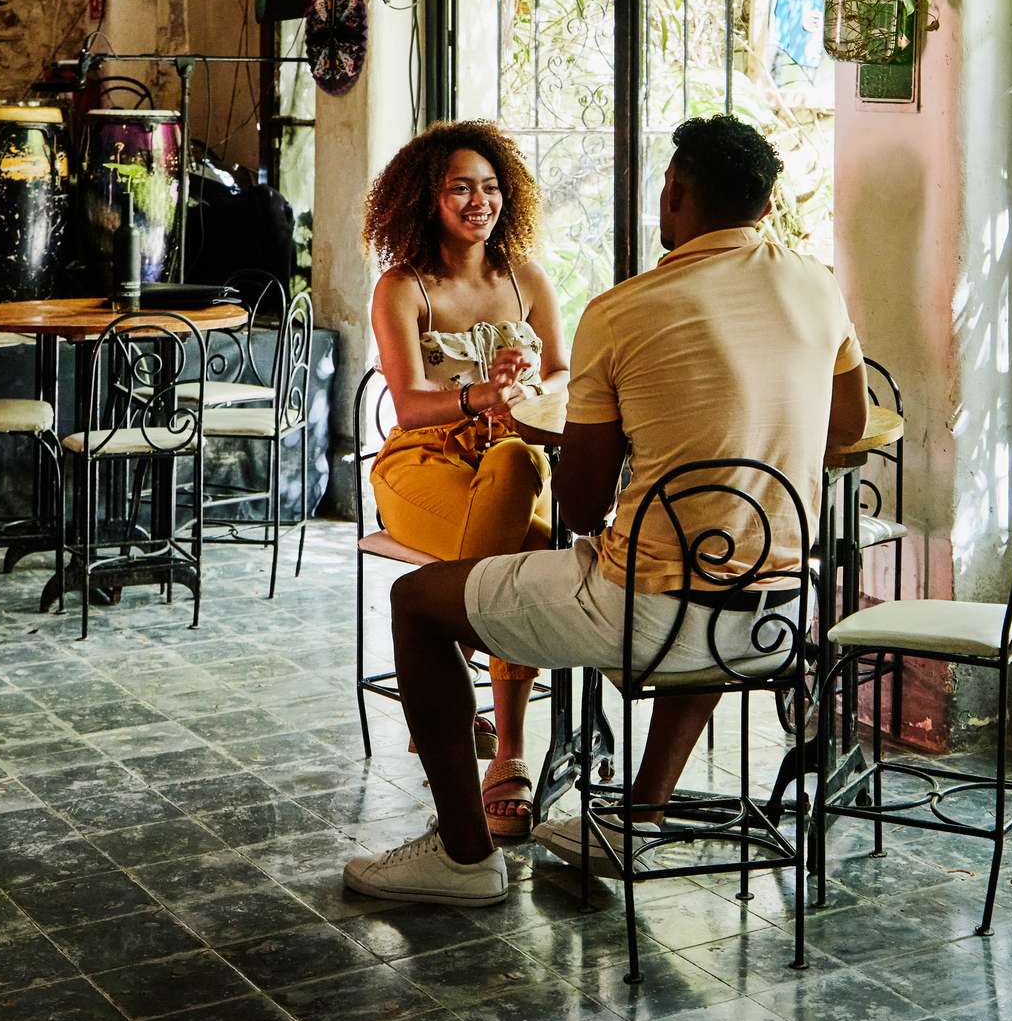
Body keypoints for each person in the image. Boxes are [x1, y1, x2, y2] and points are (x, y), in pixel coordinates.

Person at [343, 114, 867, 907]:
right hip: (776, 616)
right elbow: (850, 430)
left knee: (416, 602)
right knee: (713, 559)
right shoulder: (819, 285)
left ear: (675, 193)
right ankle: (637, 816)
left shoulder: (623, 310)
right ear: (765, 206)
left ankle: (462, 857)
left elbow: (583, 507)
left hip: (644, 616)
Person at [362, 120, 569, 840]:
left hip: (505, 461)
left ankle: (453, 672)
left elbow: (563, 376)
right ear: (428, 198)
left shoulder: (526, 278)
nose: (479, 201)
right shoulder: (403, 286)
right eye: (460, 188)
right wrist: (481, 393)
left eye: (490, 187)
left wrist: (527, 387)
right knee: (531, 555)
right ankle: (503, 749)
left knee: (521, 468)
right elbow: (410, 402)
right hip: (422, 462)